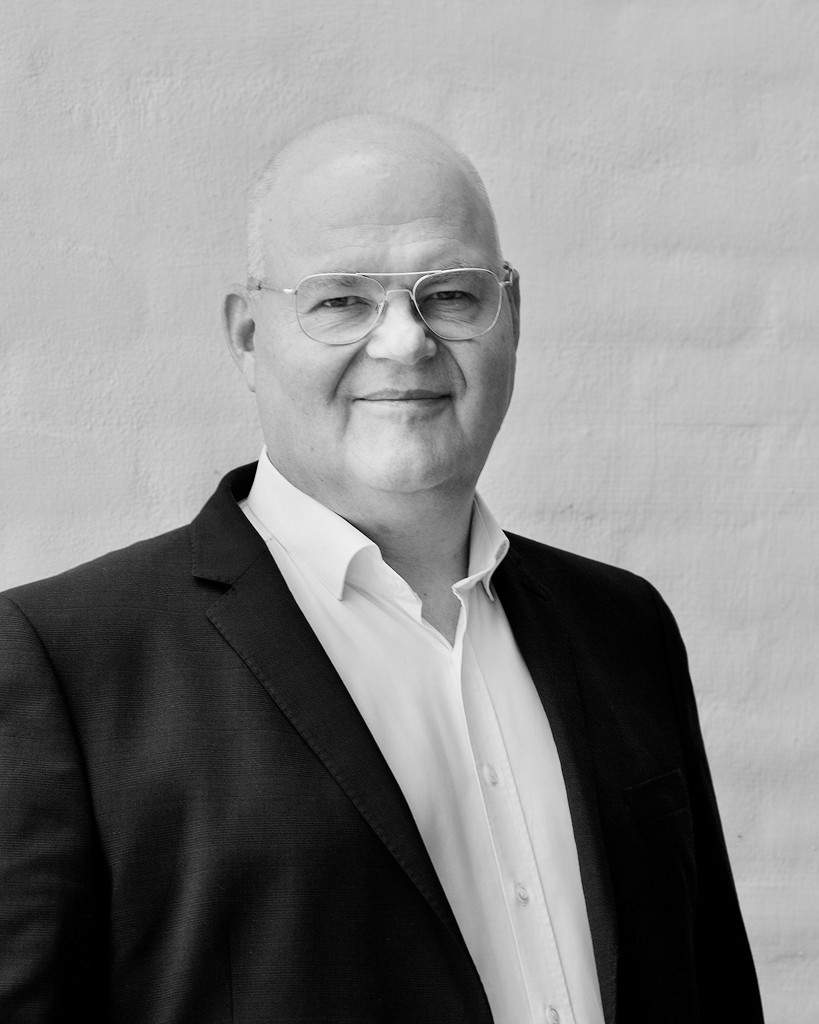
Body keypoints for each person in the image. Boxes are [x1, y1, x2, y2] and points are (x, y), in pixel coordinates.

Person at [0, 115, 763, 1024]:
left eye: (451, 295)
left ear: (511, 316)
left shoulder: (623, 626)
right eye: (340, 302)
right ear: (247, 336)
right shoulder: (66, 663)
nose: (404, 342)